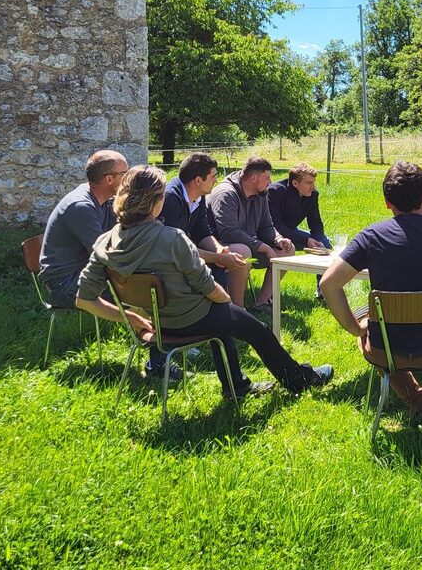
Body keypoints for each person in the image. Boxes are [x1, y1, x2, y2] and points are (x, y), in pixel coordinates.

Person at [74, 165, 333, 394]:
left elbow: (84, 299)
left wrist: (130, 317)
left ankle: (237, 386)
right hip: (191, 318)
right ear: (155, 202)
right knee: (259, 332)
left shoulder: (104, 242)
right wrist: (227, 300)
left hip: (157, 323)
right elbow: (208, 287)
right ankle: (299, 379)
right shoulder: (172, 238)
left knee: (226, 322)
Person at [320, 161, 422, 424]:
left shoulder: (371, 237)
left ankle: (418, 400)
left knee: (372, 330)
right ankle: (420, 399)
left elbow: (328, 284)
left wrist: (355, 329)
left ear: (386, 202)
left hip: (385, 346)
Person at [38, 150, 126, 308]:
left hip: (83, 273)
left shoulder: (106, 200)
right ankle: (148, 330)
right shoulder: (80, 206)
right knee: (141, 292)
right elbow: (103, 256)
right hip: (65, 284)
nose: (128, 179)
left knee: (150, 284)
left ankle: (145, 329)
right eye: (124, 173)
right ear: (109, 179)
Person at [207, 157, 295, 310]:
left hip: (249, 243)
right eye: (267, 177)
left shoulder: (261, 194)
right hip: (218, 247)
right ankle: (237, 310)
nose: (270, 181)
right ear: (254, 178)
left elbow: (267, 226)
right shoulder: (226, 194)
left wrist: (278, 240)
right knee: (243, 252)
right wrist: (265, 248)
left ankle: (262, 302)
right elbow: (229, 233)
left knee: (287, 250)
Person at [158, 152, 249, 296]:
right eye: (213, 176)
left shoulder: (198, 195)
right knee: (216, 264)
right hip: (167, 261)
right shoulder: (170, 199)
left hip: (184, 253)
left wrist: (219, 250)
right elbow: (177, 248)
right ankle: (219, 308)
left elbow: (203, 232)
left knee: (220, 264)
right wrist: (218, 258)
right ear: (198, 180)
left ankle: (227, 308)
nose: (216, 180)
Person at [267, 162, 332, 300]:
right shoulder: (275, 191)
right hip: (273, 234)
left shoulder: (313, 194)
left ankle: (323, 290)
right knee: (292, 245)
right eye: (309, 183)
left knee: (325, 244)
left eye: (313, 182)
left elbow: (316, 223)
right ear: (295, 183)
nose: (313, 187)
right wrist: (306, 240)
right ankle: (268, 295)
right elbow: (277, 225)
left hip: (292, 231)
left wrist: (318, 240)